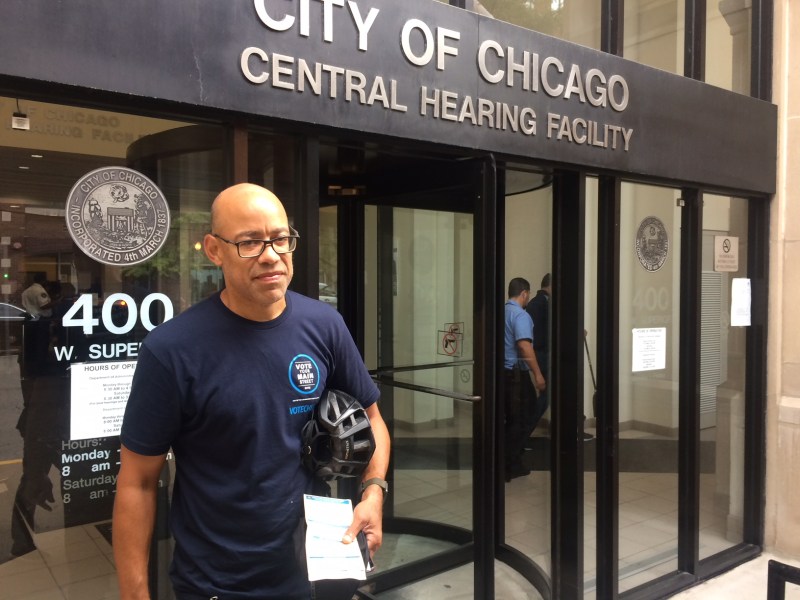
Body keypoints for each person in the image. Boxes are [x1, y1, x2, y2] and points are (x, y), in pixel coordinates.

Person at [113, 183, 391, 600]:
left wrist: (374, 493)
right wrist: (135, 595)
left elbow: (372, 420)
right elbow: (137, 482)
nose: (271, 255)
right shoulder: (172, 350)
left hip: (315, 570)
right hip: (217, 583)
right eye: (249, 243)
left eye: (281, 239)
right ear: (213, 249)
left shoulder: (323, 325)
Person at [503, 277, 546, 481]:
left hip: (502, 373)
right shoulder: (521, 316)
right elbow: (524, 346)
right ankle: (511, 463)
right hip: (515, 375)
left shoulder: (502, 311)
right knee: (521, 418)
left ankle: (506, 460)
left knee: (509, 418)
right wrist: (538, 374)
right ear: (525, 294)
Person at [525, 273, 551, 438]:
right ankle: (525, 430)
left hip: (540, 353)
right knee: (547, 394)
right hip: (541, 354)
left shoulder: (537, 303)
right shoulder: (541, 304)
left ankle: (525, 430)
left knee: (548, 394)